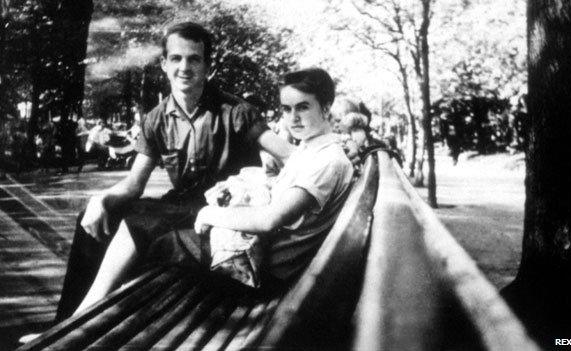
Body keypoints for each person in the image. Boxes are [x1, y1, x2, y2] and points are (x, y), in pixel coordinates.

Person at [53, 22, 293, 322]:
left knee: (138, 224)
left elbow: (291, 156)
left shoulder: (236, 112)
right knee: (92, 219)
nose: (185, 67)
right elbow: (133, 185)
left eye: (194, 59)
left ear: (208, 67)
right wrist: (100, 199)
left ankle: (82, 319)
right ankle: (62, 326)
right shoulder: (155, 119)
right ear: (164, 64)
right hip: (181, 205)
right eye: (176, 59)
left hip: (221, 214)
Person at [72, 67, 354, 314]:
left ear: (326, 108)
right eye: (286, 109)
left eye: (303, 107)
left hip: (256, 273)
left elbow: (269, 220)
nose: (292, 118)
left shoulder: (327, 160)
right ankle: (83, 318)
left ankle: (82, 324)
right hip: (258, 258)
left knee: (143, 233)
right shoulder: (314, 150)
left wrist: (211, 213)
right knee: (144, 226)